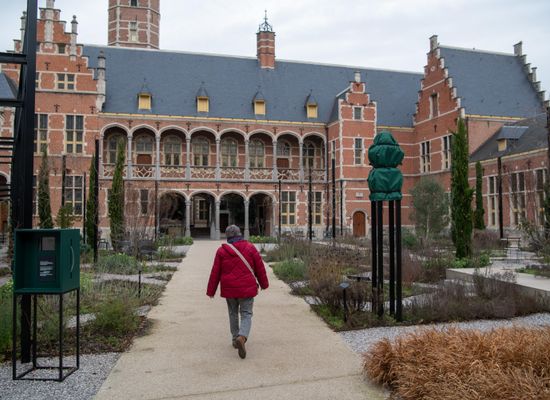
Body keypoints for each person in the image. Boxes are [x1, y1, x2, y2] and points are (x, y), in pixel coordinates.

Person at [206, 225, 269, 359]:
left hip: (229, 289)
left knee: (233, 313)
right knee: (246, 314)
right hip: (247, 288)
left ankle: (235, 338)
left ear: (227, 237)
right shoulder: (250, 247)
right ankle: (242, 336)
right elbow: (260, 268)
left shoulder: (221, 251)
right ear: (240, 234)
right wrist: (264, 284)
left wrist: (211, 291)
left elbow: (215, 272)